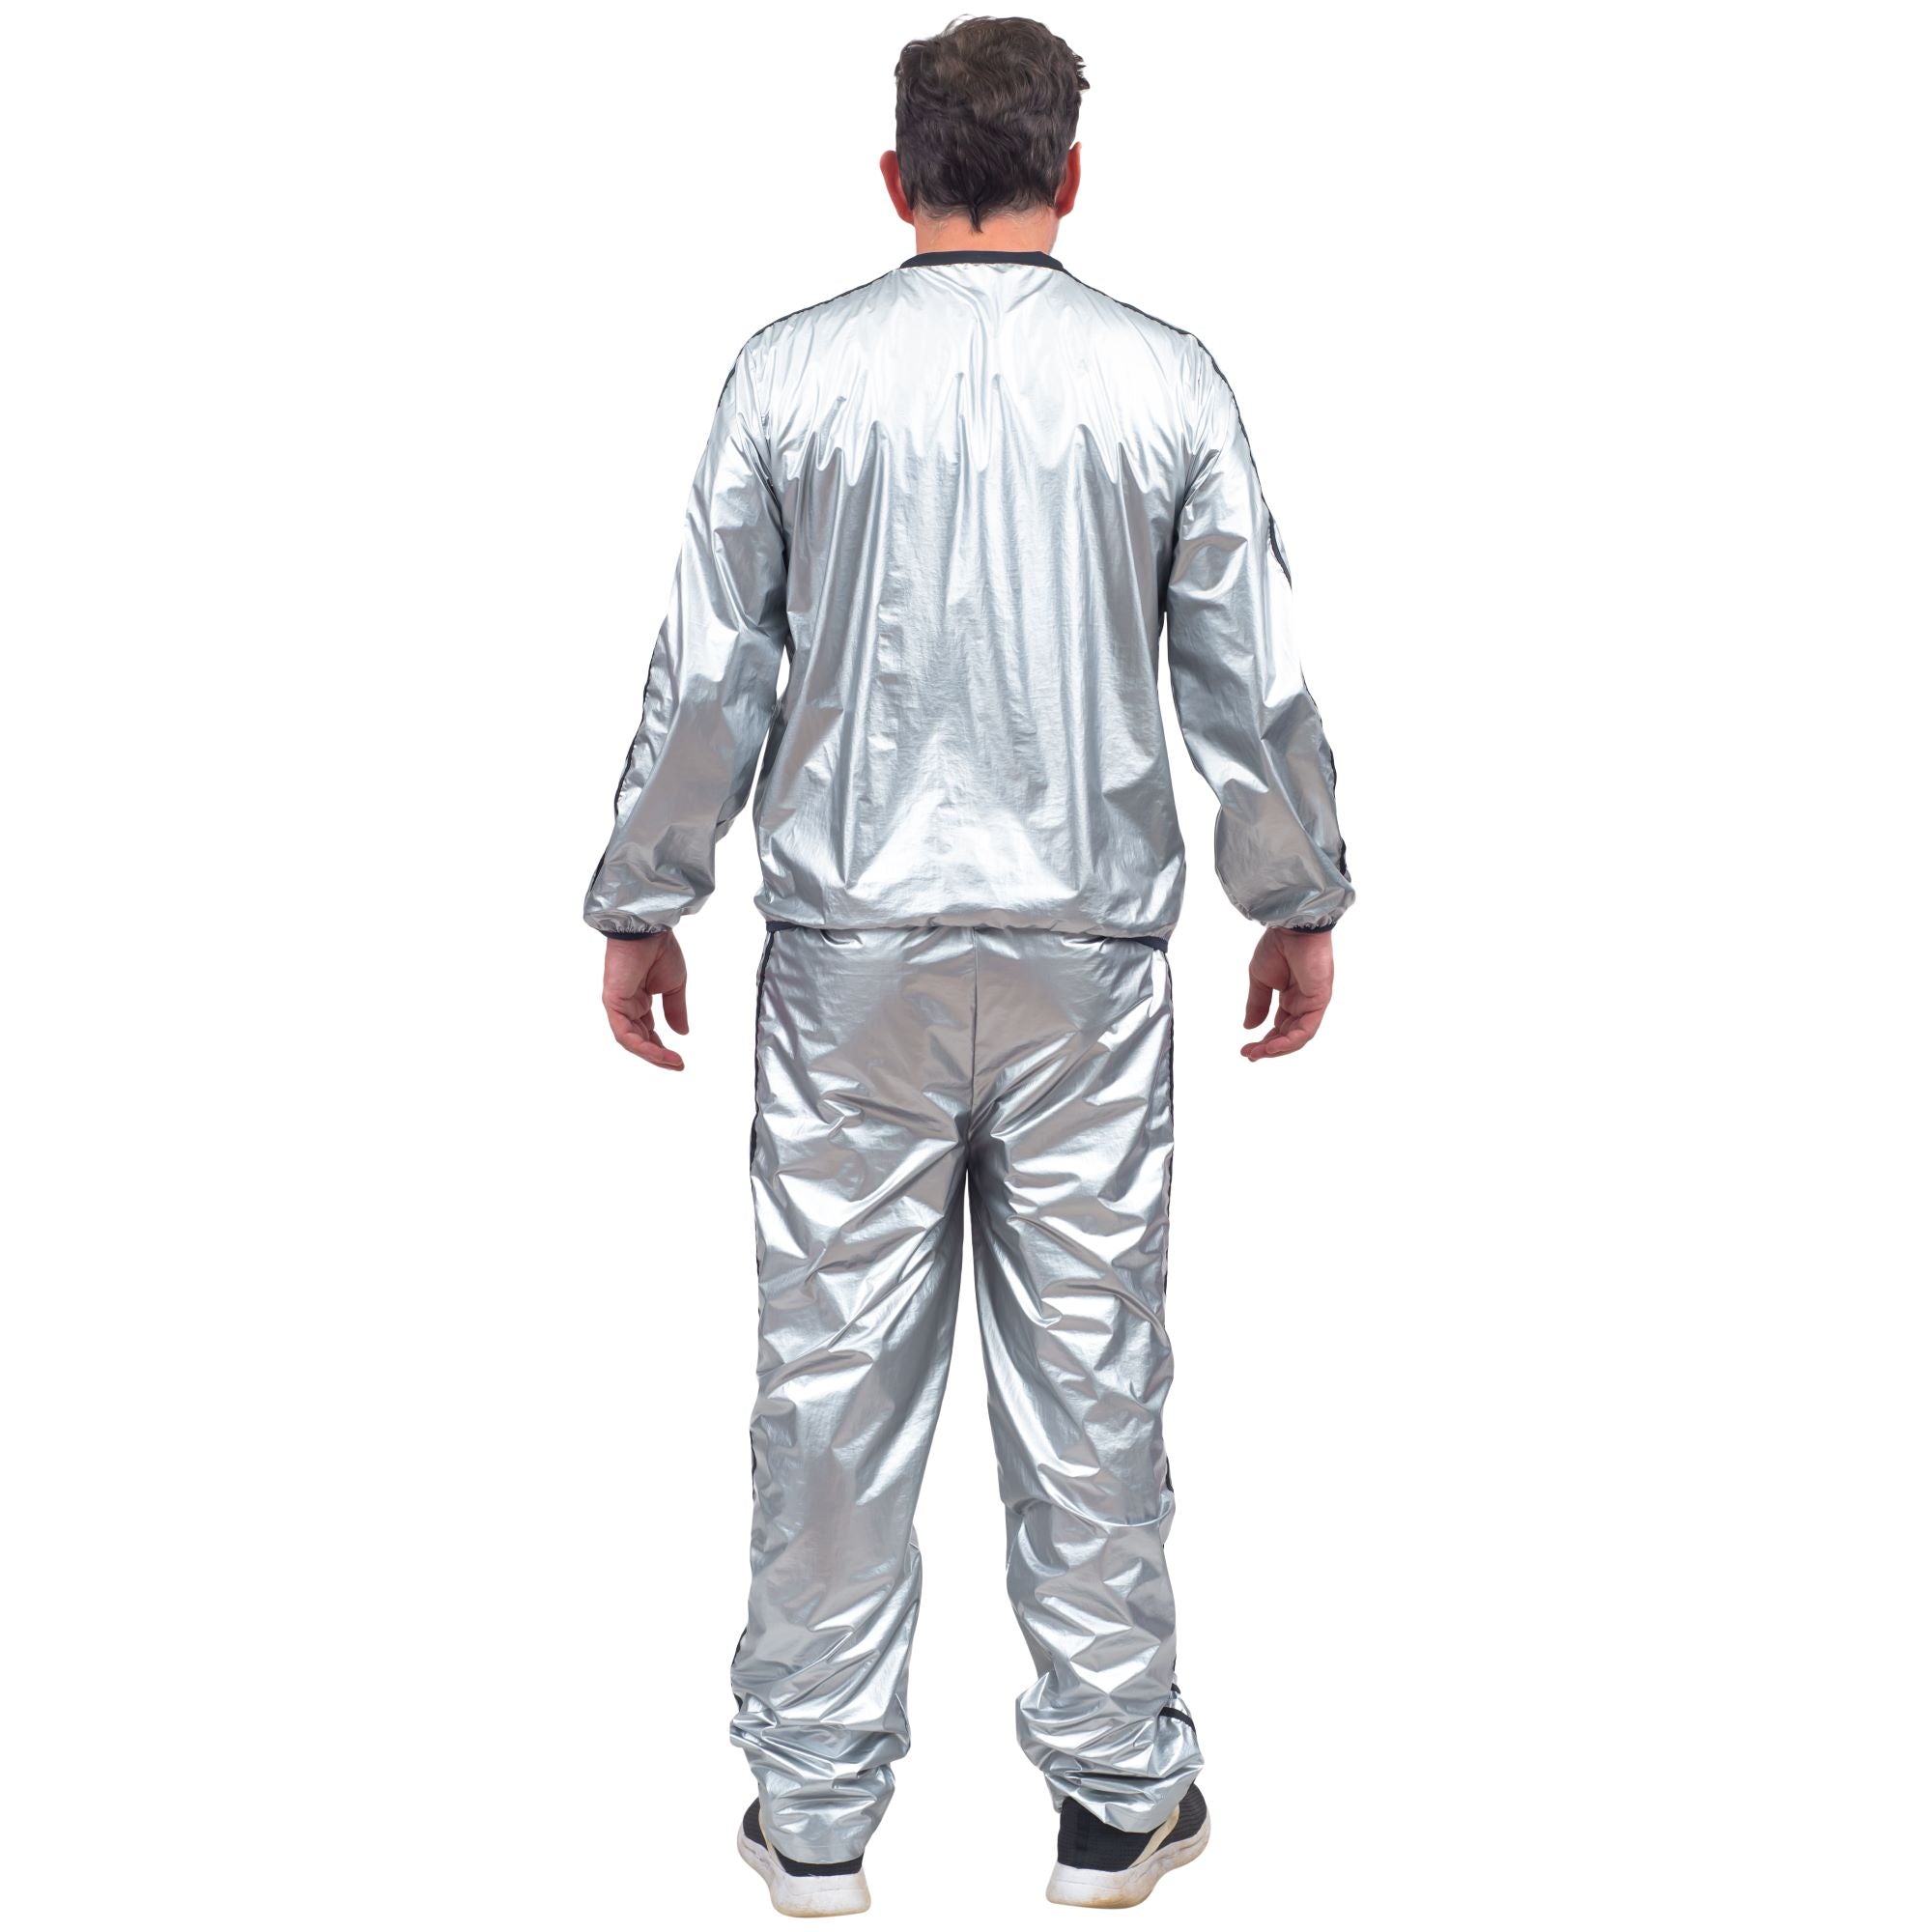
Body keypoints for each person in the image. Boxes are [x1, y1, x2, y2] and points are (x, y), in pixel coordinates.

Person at [583, 15, 1352, 1915]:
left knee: (831, 1385)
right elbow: (1247, 673)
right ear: (1072, 173)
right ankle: (1114, 1800)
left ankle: (815, 1815)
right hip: (1088, 962)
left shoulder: (787, 375)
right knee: (1091, 1376)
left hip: (848, 964)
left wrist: (643, 892)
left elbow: (711, 672)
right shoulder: (1167, 381)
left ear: (893, 174)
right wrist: (1295, 889)